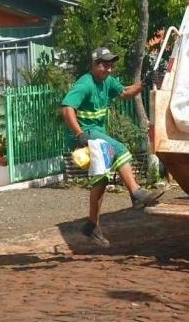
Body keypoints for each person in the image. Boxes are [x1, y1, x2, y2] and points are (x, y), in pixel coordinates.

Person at [62, 47, 165, 246]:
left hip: (96, 134)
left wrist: (144, 82)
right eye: (103, 65)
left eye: (110, 65)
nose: (108, 69)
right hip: (85, 133)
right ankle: (136, 193)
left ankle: (92, 225)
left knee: (101, 180)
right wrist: (79, 134)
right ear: (94, 64)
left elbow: (126, 92)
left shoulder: (107, 82)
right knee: (120, 149)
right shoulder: (85, 84)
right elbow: (67, 109)